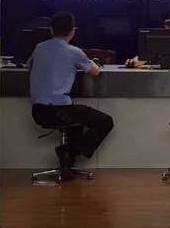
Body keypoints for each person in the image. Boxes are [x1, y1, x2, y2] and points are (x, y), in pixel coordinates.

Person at [28, 11, 113, 177]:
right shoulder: (74, 52)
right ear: (73, 31)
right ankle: (68, 152)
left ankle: (67, 162)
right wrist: (89, 62)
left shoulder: (39, 48)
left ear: (51, 30)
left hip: (38, 111)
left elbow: (29, 66)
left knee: (77, 121)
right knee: (105, 121)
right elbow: (95, 71)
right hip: (59, 110)